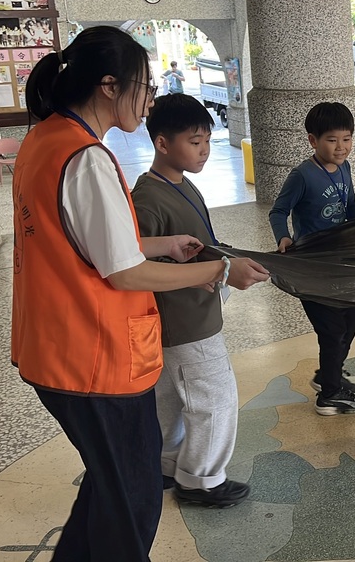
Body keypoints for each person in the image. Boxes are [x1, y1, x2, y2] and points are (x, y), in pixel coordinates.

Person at [11, 26, 269, 560]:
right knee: (132, 498)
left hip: (51, 347)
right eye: (144, 86)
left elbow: (78, 240)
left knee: (109, 488)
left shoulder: (45, 139)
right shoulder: (87, 157)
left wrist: (162, 244)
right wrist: (219, 271)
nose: (149, 99)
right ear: (109, 86)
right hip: (93, 358)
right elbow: (124, 273)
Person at [130, 94, 250, 508]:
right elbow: (134, 265)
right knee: (214, 399)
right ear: (162, 143)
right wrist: (211, 273)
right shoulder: (148, 199)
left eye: (208, 142)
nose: (204, 151)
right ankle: (201, 480)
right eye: (195, 142)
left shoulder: (179, 183)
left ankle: (166, 464)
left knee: (169, 397)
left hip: (185, 319)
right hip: (185, 323)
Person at [269, 102, 355, 416]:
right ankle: (329, 395)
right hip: (311, 267)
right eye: (332, 140)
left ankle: (329, 374)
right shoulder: (302, 175)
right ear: (313, 140)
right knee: (331, 328)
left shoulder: (345, 168)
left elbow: (350, 207)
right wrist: (283, 237)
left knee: (352, 317)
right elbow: (278, 211)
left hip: (341, 263)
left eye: (347, 139)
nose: (341, 147)